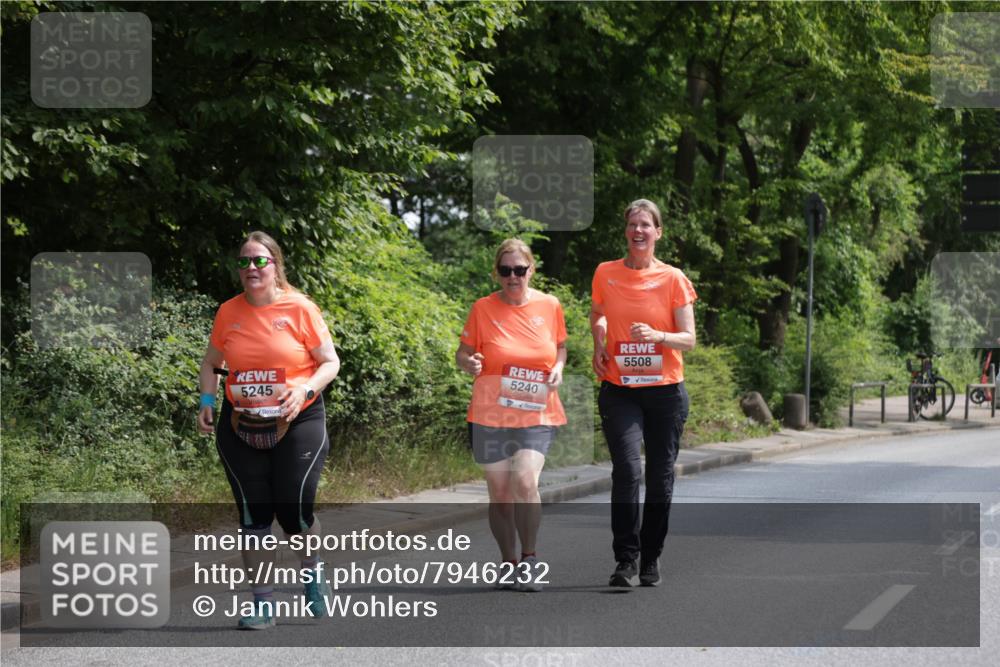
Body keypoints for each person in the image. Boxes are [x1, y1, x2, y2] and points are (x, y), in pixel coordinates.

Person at [197, 231, 340, 629]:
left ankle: (311, 570)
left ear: (276, 265)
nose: (251, 268)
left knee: (293, 512)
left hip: (299, 419)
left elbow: (330, 362)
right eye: (244, 261)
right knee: (254, 515)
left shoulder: (299, 308)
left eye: (259, 260)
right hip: (240, 421)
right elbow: (211, 363)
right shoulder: (228, 311)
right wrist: (207, 403)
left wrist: (304, 387)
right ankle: (262, 604)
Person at [590, 199, 697, 588]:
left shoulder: (673, 279)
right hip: (620, 389)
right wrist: (599, 342)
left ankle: (651, 556)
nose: (638, 231)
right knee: (627, 470)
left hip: (665, 392)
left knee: (659, 475)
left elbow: (689, 338)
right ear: (626, 231)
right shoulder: (606, 273)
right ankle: (625, 559)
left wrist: (659, 336)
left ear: (658, 232)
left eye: (646, 225)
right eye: (633, 224)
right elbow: (598, 312)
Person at [456, 238, 567, 592]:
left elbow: (560, 347)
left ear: (531, 270)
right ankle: (508, 561)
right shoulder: (482, 308)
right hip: (490, 413)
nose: (513, 276)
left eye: (520, 269)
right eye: (506, 270)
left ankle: (530, 560)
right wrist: (468, 362)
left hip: (537, 410)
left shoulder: (550, 306)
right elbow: (462, 353)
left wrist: (560, 368)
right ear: (497, 273)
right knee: (500, 492)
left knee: (524, 481)